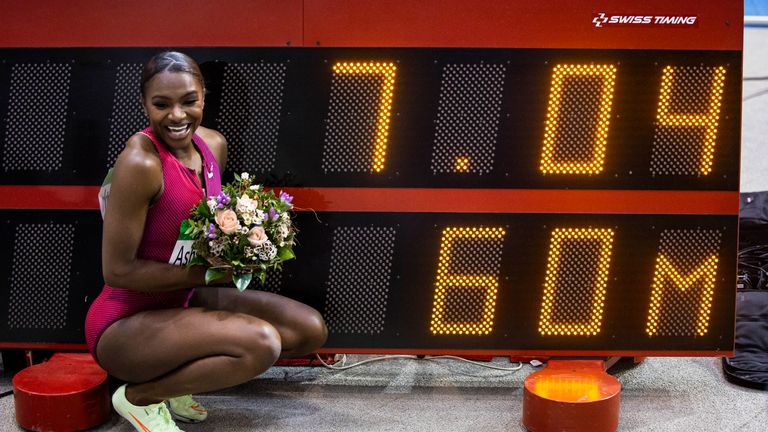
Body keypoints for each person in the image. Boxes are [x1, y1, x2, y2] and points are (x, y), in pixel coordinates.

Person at [84, 51, 327, 432]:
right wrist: (210, 272)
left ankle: (178, 377)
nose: (177, 116)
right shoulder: (140, 162)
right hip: (124, 324)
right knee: (261, 343)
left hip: (182, 300)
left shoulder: (213, 145)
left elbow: (203, 224)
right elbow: (117, 271)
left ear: (203, 95)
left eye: (188, 101)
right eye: (161, 104)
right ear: (144, 103)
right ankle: (139, 397)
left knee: (307, 329)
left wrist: (246, 245)